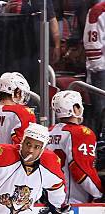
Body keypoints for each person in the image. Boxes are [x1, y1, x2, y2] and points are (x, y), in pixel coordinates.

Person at [48, 90, 102, 203]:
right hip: (75, 202)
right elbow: (81, 169)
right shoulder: (81, 133)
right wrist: (99, 192)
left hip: (51, 199)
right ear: (75, 108)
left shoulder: (49, 131)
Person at [83, 1, 105, 136]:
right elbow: (92, 44)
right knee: (101, 112)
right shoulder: (98, 11)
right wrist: (99, 70)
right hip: (101, 72)